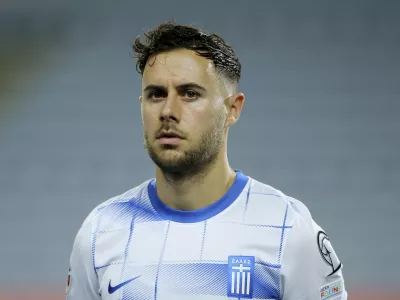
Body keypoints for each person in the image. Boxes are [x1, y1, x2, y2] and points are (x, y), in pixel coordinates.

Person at [66, 21, 347, 300]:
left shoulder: (290, 231)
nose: (168, 111)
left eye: (190, 94)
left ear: (232, 109)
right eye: (156, 94)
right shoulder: (100, 233)